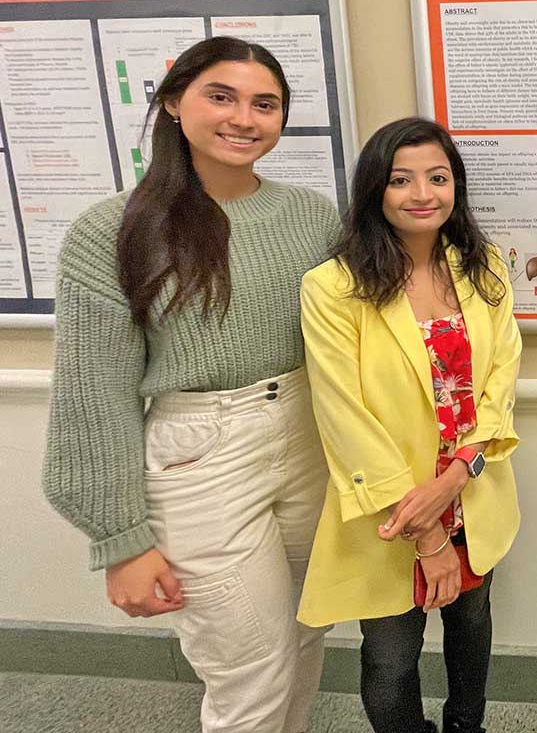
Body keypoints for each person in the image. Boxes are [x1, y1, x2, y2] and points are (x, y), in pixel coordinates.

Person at [42, 37, 341, 733]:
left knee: (302, 641)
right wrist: (121, 540)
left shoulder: (312, 217)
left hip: (306, 439)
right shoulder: (111, 231)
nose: (244, 117)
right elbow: (96, 396)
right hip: (200, 453)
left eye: (264, 104)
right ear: (175, 103)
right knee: (249, 670)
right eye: (222, 96)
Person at [297, 117, 521, 733]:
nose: (423, 194)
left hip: (471, 492)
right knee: (392, 658)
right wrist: (426, 533)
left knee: (472, 628)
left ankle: (465, 726)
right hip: (392, 509)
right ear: (376, 190)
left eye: (438, 177)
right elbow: (344, 415)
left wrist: (458, 474)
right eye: (402, 180)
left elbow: (500, 379)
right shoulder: (334, 287)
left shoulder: (485, 266)